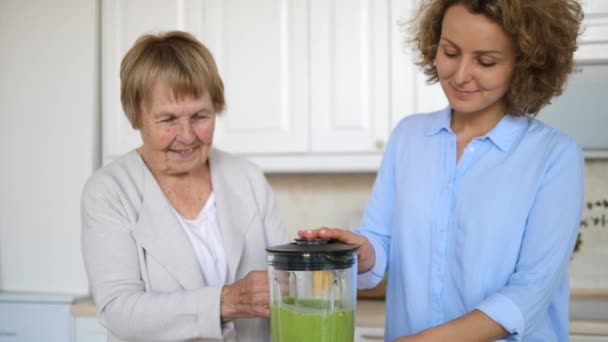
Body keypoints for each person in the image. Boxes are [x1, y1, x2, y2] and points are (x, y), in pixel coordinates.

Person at [300, 0, 585, 341]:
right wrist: (361, 251)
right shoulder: (409, 136)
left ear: (524, 64)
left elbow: (530, 292)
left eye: (486, 61)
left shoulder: (554, 156)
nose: (461, 75)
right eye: (450, 52)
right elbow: (381, 241)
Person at [81, 31, 288, 342]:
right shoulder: (110, 191)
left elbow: (285, 281)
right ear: (136, 116)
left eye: (200, 116)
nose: (188, 135)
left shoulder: (247, 178)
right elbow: (118, 309)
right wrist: (224, 301)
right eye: (168, 120)